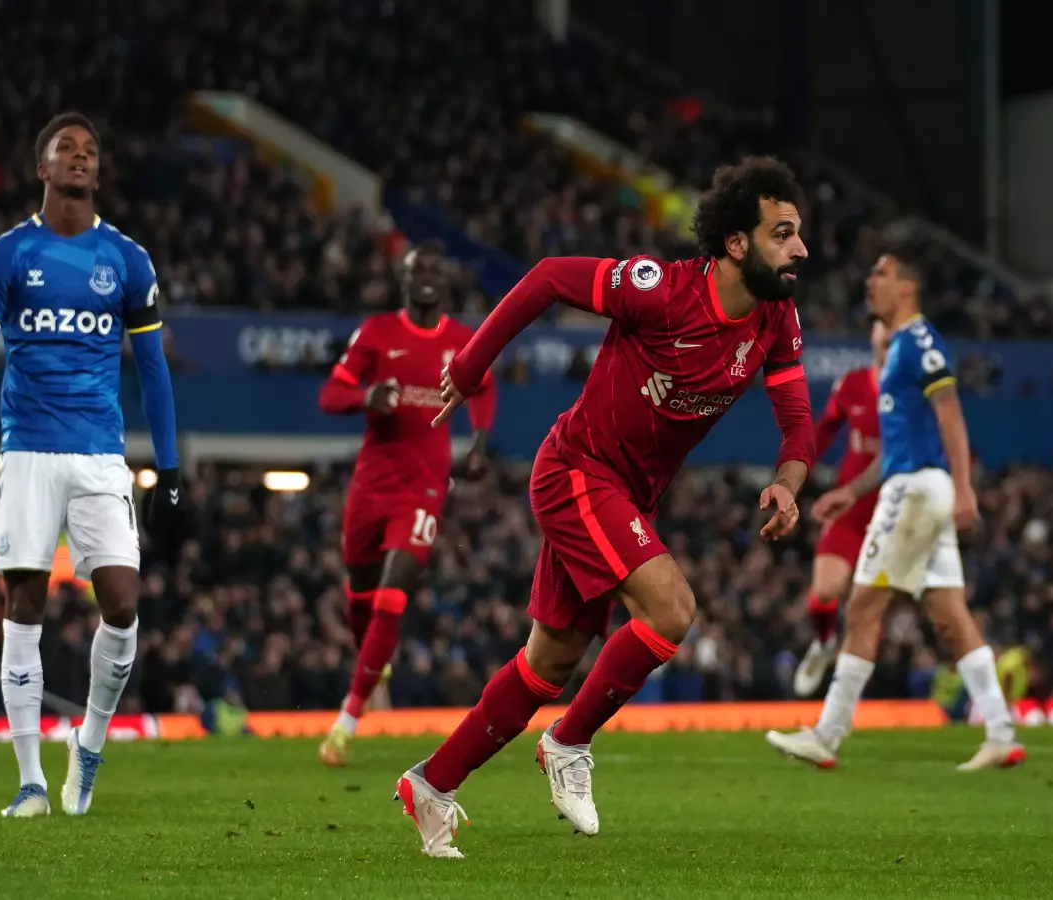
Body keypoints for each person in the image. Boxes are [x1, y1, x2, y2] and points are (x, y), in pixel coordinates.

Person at [394, 156, 817, 859]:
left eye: (799, 233)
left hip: (627, 495)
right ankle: (569, 741)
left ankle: (431, 783)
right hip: (577, 472)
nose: (800, 248)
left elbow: (799, 419)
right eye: (783, 233)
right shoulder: (661, 291)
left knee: (549, 664)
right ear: (738, 243)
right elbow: (549, 277)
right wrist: (469, 367)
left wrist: (788, 483)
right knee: (672, 609)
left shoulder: (776, 317)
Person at [0, 112, 182, 817]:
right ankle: (31, 780)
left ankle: (88, 743)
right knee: (24, 610)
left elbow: (153, 371)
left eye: (90, 151)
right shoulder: (8, 255)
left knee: (123, 608)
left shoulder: (127, 260)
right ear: (42, 168)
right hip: (28, 449)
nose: (80, 157)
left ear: (98, 172)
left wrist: (173, 465)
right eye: (66, 148)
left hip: (100, 453)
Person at [766, 242, 1026, 770]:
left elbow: (950, 410)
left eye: (880, 273)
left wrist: (965, 488)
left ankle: (826, 734)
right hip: (915, 486)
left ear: (906, 286)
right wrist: (851, 491)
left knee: (863, 609)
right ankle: (1000, 731)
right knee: (950, 615)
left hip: (914, 494)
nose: (869, 281)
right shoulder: (899, 354)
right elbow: (895, 448)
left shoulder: (918, 341)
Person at [317, 240, 495, 766]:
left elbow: (483, 387)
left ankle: (345, 724)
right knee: (361, 596)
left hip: (425, 486)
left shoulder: (462, 342)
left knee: (393, 598)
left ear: (444, 282)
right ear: (405, 278)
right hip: (372, 485)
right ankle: (374, 664)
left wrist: (480, 442)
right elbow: (331, 394)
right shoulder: (376, 334)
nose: (427, 278)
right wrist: (363, 398)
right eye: (419, 270)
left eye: (436, 271)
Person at [792, 319, 889, 696]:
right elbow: (826, 427)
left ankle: (849, 694)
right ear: (873, 335)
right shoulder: (852, 384)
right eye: (882, 329)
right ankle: (823, 642)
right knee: (826, 590)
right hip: (851, 506)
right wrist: (799, 473)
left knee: (870, 610)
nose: (887, 337)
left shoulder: (913, 391)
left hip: (894, 511)